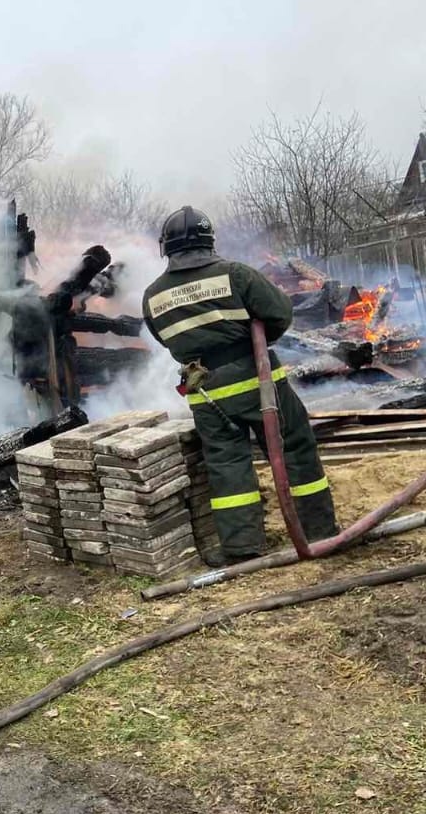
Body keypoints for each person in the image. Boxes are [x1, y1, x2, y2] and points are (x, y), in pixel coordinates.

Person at [141, 207, 339, 565]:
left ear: (166, 247)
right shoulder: (235, 275)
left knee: (226, 463)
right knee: (294, 449)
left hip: (205, 391)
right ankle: (319, 531)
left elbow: (167, 340)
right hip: (258, 380)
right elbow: (280, 313)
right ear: (208, 241)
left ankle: (241, 547)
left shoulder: (153, 296)